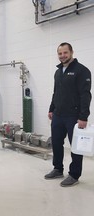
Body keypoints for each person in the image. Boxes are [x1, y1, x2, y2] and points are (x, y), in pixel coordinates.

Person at [45, 42, 92, 187]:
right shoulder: (58, 72)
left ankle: (74, 175)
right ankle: (58, 168)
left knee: (75, 147)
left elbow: (85, 95)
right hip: (58, 114)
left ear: (71, 52)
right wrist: (51, 108)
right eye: (60, 53)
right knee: (57, 143)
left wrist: (83, 117)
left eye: (65, 52)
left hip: (73, 116)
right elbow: (56, 92)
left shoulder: (82, 70)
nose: (62, 56)